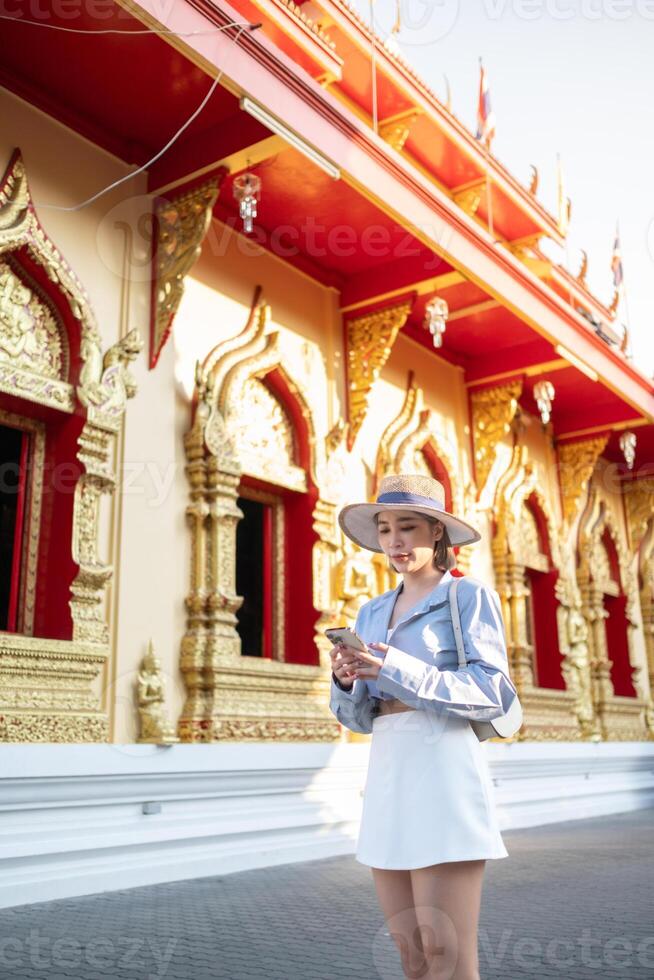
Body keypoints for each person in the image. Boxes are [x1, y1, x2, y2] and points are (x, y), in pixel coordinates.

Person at [329, 473, 518, 980]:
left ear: (436, 532)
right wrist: (346, 680)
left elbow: (491, 690)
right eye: (386, 528)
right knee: (411, 956)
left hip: (443, 766)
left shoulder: (467, 598)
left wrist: (395, 668)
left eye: (407, 527)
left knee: (446, 954)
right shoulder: (370, 612)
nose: (394, 541)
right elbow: (357, 717)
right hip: (388, 768)